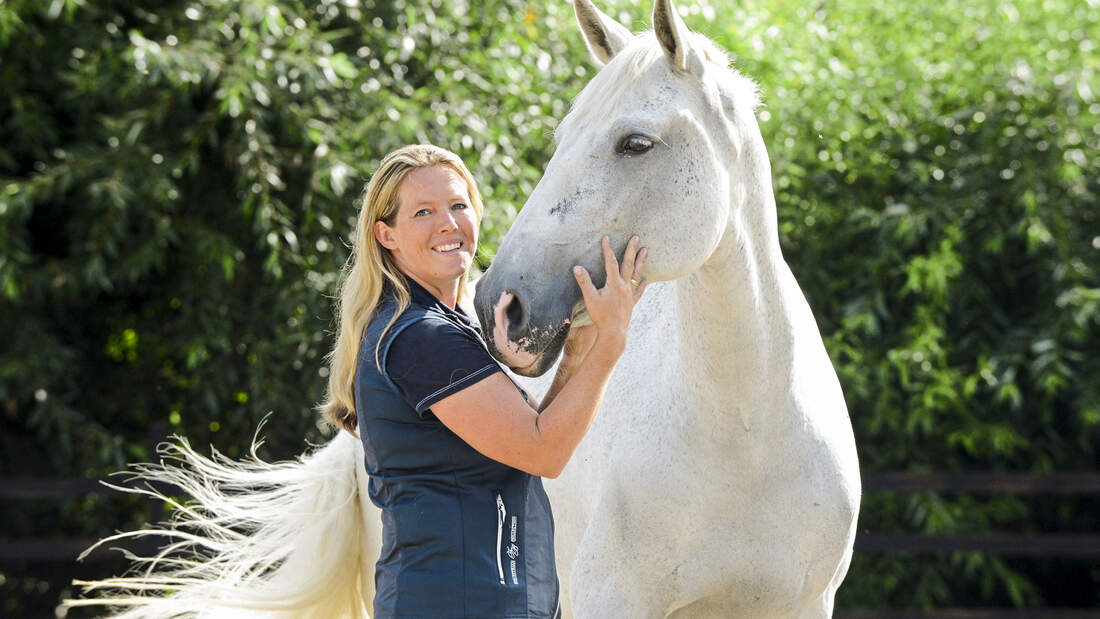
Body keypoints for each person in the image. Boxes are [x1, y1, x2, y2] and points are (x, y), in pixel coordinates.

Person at [317, 143, 647, 619]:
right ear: (386, 235)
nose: (447, 223)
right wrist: (612, 340)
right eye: (423, 212)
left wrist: (579, 350)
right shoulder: (422, 337)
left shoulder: (444, 326)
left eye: (458, 205)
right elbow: (543, 451)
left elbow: (527, 435)